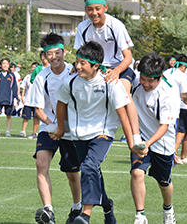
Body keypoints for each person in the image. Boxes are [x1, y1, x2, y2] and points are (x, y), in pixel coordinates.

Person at [53, 41, 133, 224]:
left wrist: (131, 142)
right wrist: (60, 128)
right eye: (77, 62)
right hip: (79, 135)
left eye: (83, 63)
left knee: (88, 167)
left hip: (103, 134)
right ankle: (107, 207)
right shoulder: (71, 82)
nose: (78, 66)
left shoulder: (109, 83)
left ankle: (85, 214)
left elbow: (122, 112)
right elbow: (61, 104)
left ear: (95, 66)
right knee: (93, 171)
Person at [74, 0, 142, 150]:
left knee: (123, 93)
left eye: (98, 8)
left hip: (121, 66)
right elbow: (79, 53)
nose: (94, 13)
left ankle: (135, 136)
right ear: (86, 10)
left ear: (105, 7)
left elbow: (128, 57)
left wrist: (116, 72)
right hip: (96, 68)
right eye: (90, 9)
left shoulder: (116, 25)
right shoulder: (82, 27)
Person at [30, 33, 80, 224]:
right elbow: (38, 108)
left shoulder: (75, 72)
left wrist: (63, 126)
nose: (54, 57)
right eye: (49, 54)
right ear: (45, 56)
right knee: (41, 163)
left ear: (64, 52)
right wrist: (53, 124)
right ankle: (48, 211)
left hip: (71, 129)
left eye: (57, 53)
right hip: (49, 127)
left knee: (71, 172)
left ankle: (76, 206)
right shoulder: (41, 76)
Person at [130, 53, 176, 224]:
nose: (146, 84)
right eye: (143, 79)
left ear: (160, 77)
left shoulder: (167, 94)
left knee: (164, 183)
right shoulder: (135, 84)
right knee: (136, 172)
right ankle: (140, 215)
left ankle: (168, 209)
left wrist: (148, 143)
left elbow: (164, 126)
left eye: (151, 81)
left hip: (162, 143)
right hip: (141, 137)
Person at [164, 54, 187, 165]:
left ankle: (169, 155)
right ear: (184, 67)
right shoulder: (181, 75)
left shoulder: (166, 72)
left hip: (161, 105)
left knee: (165, 131)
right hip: (174, 107)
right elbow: (184, 95)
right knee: (177, 131)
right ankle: (172, 156)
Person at [0, 58, 18, 137]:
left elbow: (14, 87)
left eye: (7, 63)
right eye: (3, 63)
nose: (5, 65)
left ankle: (8, 131)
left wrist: (15, 97)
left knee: (9, 115)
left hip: (9, 99)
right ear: (1, 65)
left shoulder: (12, 75)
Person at [20, 62, 40, 138]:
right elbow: (24, 87)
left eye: (35, 67)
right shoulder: (28, 77)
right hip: (28, 100)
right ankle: (23, 131)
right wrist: (22, 96)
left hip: (37, 101)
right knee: (26, 117)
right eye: (32, 67)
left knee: (36, 117)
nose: (33, 69)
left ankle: (34, 132)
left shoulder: (40, 77)